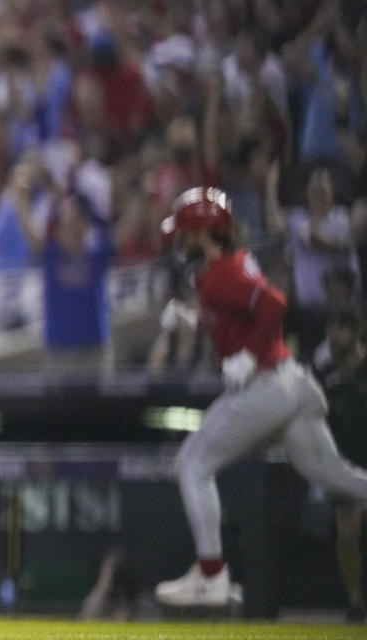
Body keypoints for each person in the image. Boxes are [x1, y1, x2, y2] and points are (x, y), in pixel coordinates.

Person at [153, 187, 367, 608]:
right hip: (289, 383)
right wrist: (189, 319)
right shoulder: (218, 270)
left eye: (187, 232)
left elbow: (274, 303)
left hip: (268, 383)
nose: (180, 240)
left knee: (192, 464)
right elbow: (231, 314)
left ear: (205, 231)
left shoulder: (224, 270)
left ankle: (211, 576)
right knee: (333, 476)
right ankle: (210, 576)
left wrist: (251, 355)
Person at [312, 308, 367, 622]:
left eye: (341, 328)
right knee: (348, 533)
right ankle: (355, 602)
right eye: (330, 326)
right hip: (345, 463)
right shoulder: (325, 374)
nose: (334, 335)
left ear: (355, 331)